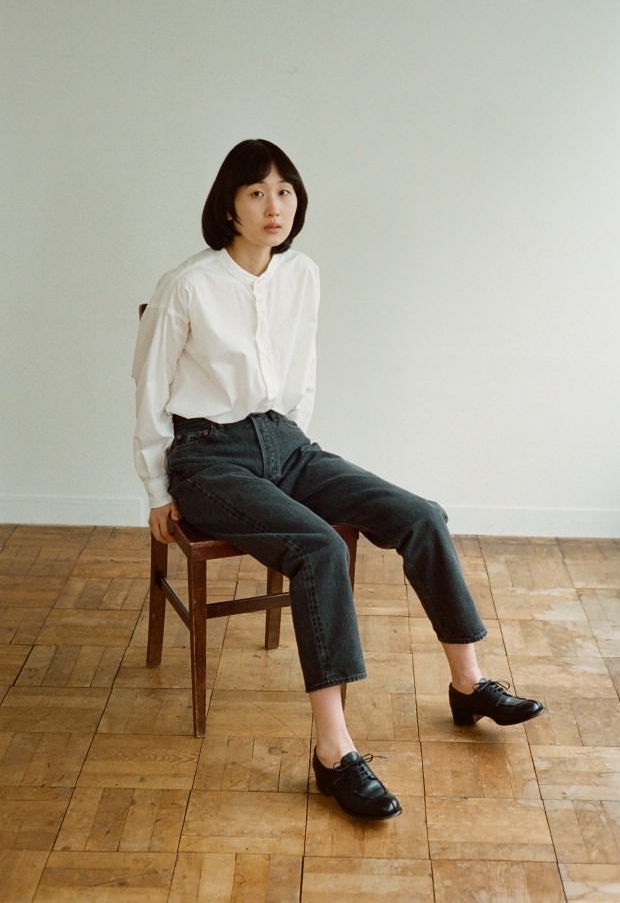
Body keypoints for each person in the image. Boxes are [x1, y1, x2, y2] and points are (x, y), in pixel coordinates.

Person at [132, 138, 544, 820]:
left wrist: (294, 446)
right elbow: (149, 391)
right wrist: (155, 489)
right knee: (319, 547)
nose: (274, 206)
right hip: (207, 458)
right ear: (229, 207)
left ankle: (469, 684)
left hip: (287, 443)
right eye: (257, 193)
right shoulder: (189, 285)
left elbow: (304, 367)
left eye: (285, 191)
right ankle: (334, 752)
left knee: (421, 514)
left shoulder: (303, 275)